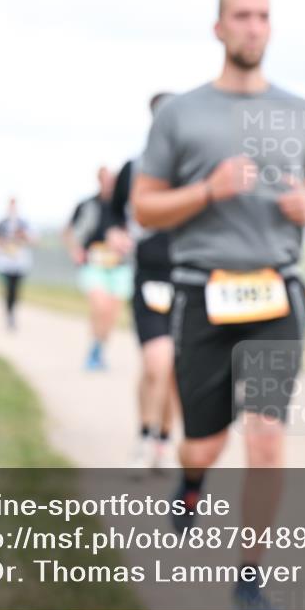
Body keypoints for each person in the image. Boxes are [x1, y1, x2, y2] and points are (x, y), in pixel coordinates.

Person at [132, 0, 305, 610]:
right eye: (241, 16)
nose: (253, 26)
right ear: (219, 28)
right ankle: (191, 482)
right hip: (202, 292)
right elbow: (144, 207)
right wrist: (207, 191)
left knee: (265, 437)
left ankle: (249, 578)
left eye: (263, 16)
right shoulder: (180, 114)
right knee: (205, 444)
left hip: (276, 291)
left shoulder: (298, 112)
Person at [107, 93, 180, 474]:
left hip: (187, 279)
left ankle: (163, 440)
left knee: (173, 370)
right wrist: (115, 233)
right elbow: (111, 213)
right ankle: (144, 435)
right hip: (148, 276)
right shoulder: (134, 168)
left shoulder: (197, 168)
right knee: (156, 362)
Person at [64, 166, 134, 370]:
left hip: (119, 266)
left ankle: (99, 348)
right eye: (106, 180)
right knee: (100, 307)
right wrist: (75, 250)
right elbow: (68, 231)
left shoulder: (126, 207)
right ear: (99, 181)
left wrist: (125, 242)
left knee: (111, 313)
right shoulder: (87, 205)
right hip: (93, 265)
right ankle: (94, 349)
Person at [0, 198, 33, 331]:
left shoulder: (23, 223)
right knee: (8, 288)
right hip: (5, 261)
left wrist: (23, 235)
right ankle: (8, 313)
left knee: (16, 289)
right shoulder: (1, 223)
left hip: (19, 262)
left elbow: (33, 240)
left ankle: (13, 311)